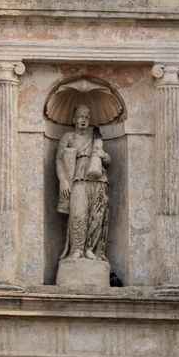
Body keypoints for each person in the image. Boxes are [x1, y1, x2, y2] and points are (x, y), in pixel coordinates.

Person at [56, 103, 110, 262]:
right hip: (77, 178)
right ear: (74, 119)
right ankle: (77, 249)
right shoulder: (68, 137)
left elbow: (107, 161)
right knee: (78, 214)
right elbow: (59, 160)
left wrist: (104, 155)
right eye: (80, 116)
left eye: (86, 117)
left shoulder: (96, 136)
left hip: (98, 179)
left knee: (96, 215)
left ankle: (90, 249)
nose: (83, 120)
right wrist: (63, 181)